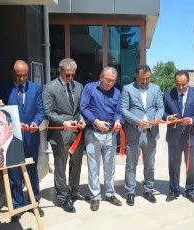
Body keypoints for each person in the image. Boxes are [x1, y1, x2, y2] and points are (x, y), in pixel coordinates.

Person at [0, 60, 45, 219]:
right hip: (11, 138)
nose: (22, 79)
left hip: (31, 137)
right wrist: (14, 124)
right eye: (19, 76)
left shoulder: (36, 88)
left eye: (25, 75)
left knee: (32, 171)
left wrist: (35, 122)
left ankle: (34, 201)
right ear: (12, 74)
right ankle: (18, 205)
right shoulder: (3, 88)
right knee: (14, 173)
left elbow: (40, 110)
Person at [43, 58, 88, 213]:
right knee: (60, 167)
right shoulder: (50, 88)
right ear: (60, 71)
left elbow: (80, 108)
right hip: (60, 134)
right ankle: (63, 198)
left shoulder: (79, 86)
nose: (70, 78)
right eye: (67, 75)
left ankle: (74, 191)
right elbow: (48, 112)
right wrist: (64, 122)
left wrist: (81, 120)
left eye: (72, 75)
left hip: (77, 133)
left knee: (76, 164)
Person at [80, 66, 123, 211]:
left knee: (110, 166)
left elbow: (118, 112)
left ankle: (110, 193)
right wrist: (96, 121)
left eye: (113, 81)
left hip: (111, 135)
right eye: (108, 80)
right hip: (93, 133)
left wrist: (118, 121)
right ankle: (95, 196)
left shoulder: (117, 92)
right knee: (93, 167)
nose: (110, 83)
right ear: (101, 77)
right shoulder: (89, 88)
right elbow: (83, 108)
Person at [121, 64, 164, 206]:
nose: (145, 81)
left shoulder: (156, 88)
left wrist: (157, 117)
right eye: (142, 79)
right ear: (136, 76)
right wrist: (136, 121)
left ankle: (148, 190)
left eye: (147, 78)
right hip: (134, 133)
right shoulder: (127, 89)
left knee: (150, 164)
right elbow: (124, 110)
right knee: (131, 165)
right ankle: (131, 192)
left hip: (151, 133)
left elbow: (160, 107)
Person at [163, 71, 194, 203]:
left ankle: (190, 190)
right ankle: (174, 190)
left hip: (192, 136)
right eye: (178, 84)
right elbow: (162, 111)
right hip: (174, 136)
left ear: (189, 82)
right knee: (174, 165)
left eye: (183, 85)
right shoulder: (168, 94)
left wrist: (192, 120)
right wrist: (168, 117)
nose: (180, 87)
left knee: (191, 165)